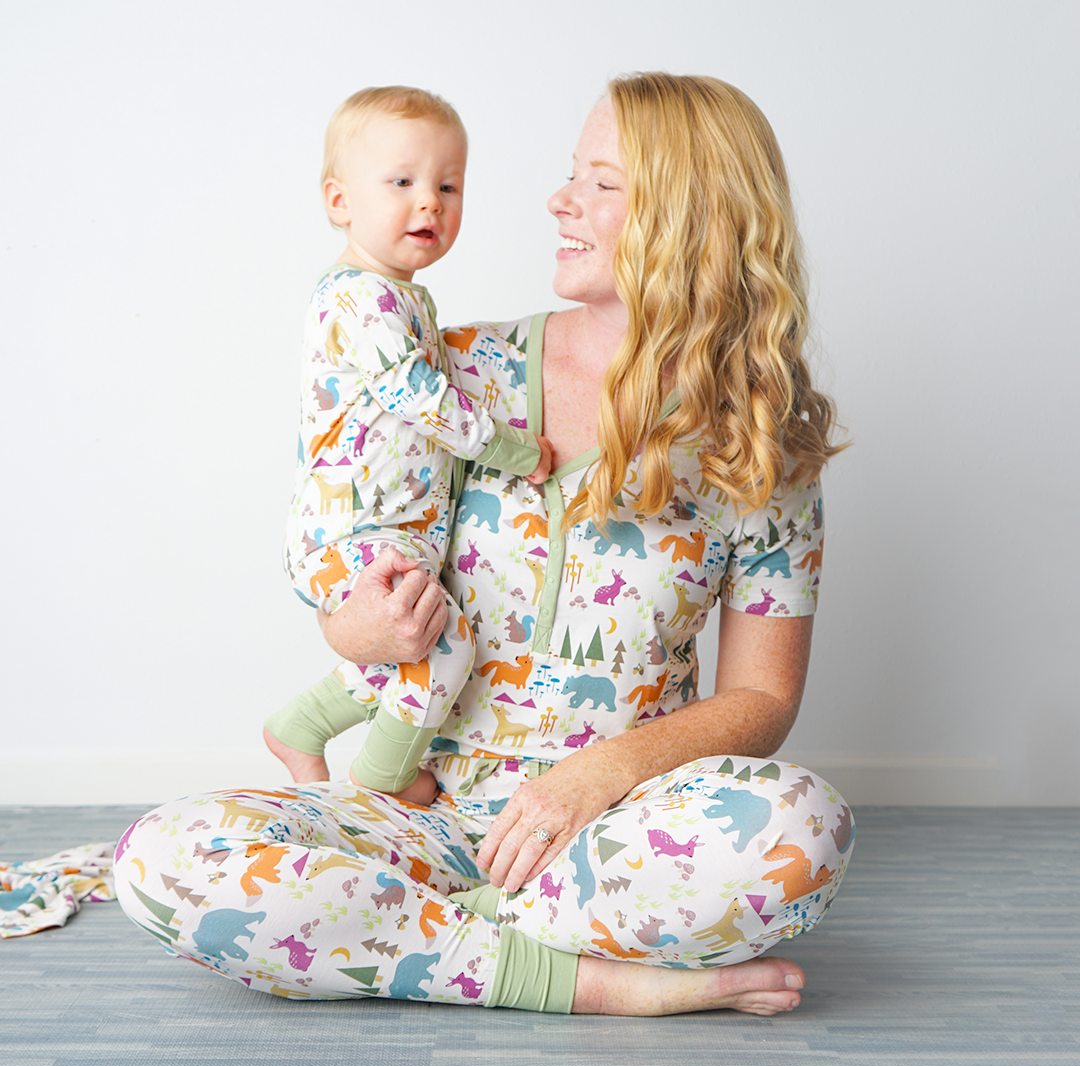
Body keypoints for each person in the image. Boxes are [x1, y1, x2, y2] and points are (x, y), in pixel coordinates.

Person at [116, 73, 852, 1017]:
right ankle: (592, 983)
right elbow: (357, 536)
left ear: (689, 216)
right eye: (569, 175)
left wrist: (603, 775)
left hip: (613, 832)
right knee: (165, 858)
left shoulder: (763, 444)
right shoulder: (455, 370)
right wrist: (356, 631)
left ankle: (404, 939)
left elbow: (763, 695)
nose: (560, 200)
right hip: (423, 819)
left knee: (805, 827)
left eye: (603, 182)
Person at [270, 86, 553, 805]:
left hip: (395, 525)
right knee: (447, 642)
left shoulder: (403, 297)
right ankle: (382, 787)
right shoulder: (360, 298)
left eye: (448, 185)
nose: (429, 202)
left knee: (406, 644)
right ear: (340, 201)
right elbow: (418, 398)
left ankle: (299, 727)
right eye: (401, 182)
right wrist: (516, 451)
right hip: (354, 525)